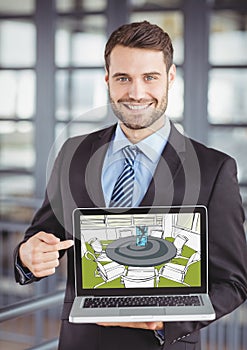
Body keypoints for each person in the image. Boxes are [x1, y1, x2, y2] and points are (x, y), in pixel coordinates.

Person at [14, 21, 247, 350]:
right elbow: (42, 235)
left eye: (149, 77)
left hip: (163, 343)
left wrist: (167, 319)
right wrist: (28, 255)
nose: (136, 93)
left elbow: (234, 282)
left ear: (170, 78)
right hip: (82, 342)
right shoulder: (74, 153)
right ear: (108, 80)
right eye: (123, 78)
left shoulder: (214, 169)